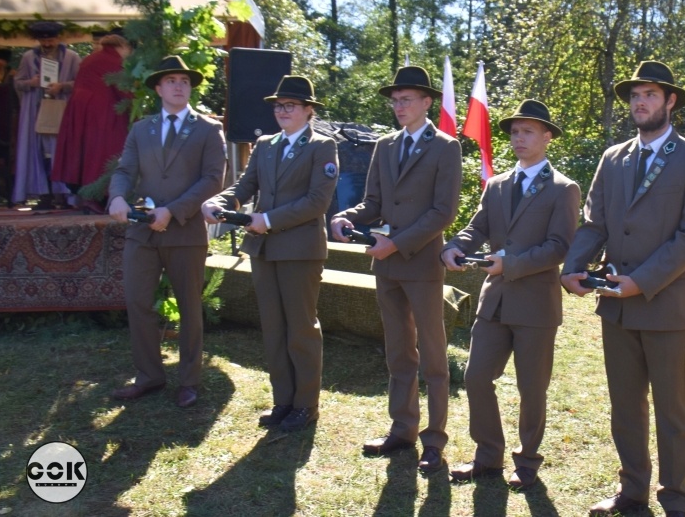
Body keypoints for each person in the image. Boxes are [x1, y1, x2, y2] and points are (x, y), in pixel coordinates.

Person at [560, 61, 685, 517]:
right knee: (626, 408)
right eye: (634, 95)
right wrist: (573, 267)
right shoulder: (614, 158)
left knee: (673, 411)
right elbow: (595, 223)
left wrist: (641, 282)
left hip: (667, 308)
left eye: (650, 94)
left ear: (671, 101)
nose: (640, 102)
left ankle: (675, 500)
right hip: (618, 307)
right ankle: (632, 491)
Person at [441, 99, 580, 489]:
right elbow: (477, 227)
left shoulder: (563, 189)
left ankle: (528, 461)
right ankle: (488, 456)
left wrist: (511, 263)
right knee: (475, 377)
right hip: (495, 301)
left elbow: (559, 247)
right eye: (515, 132)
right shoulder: (497, 184)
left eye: (528, 131)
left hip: (536, 305)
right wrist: (454, 246)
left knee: (531, 388)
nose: (519, 138)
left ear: (547, 137)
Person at [330, 65, 462, 473]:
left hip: (419, 263)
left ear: (427, 102)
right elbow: (373, 202)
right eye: (395, 101)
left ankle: (434, 441)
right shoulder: (385, 145)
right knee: (398, 351)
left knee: (433, 357)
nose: (399, 106)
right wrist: (347, 215)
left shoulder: (446, 147)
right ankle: (402, 429)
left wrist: (398, 242)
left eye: (406, 100)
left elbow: (444, 211)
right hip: (386, 265)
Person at [202, 76, 338, 432]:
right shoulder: (265, 144)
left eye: (290, 105)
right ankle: (284, 401)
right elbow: (245, 185)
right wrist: (220, 201)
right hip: (264, 250)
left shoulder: (322, 146)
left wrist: (269, 219)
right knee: (274, 327)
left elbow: (317, 201)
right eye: (278, 106)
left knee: (300, 328)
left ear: (309, 110)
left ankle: (305, 405)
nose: (282, 111)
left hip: (299, 250)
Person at [108, 56, 226, 409]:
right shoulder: (141, 129)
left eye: (184, 81)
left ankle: (189, 381)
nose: (179, 86)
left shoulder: (208, 129)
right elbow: (125, 170)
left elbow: (213, 179)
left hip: (185, 232)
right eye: (172, 80)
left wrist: (172, 211)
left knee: (189, 307)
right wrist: (117, 196)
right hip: (142, 232)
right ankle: (149, 376)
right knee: (137, 302)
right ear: (158, 88)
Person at [51, 34, 133, 214]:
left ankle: (89, 196)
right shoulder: (113, 61)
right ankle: (96, 197)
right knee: (102, 153)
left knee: (86, 153)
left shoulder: (92, 57)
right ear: (123, 46)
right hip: (101, 112)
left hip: (82, 110)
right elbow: (124, 91)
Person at [13, 21, 81, 208]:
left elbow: (81, 83)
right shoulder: (28, 57)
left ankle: (65, 194)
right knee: (40, 152)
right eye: (43, 41)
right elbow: (18, 82)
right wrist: (31, 83)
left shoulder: (72, 57)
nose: (47, 44)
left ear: (58, 38)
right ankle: (45, 194)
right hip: (36, 111)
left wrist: (62, 86)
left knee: (61, 150)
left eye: (51, 40)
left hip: (62, 110)